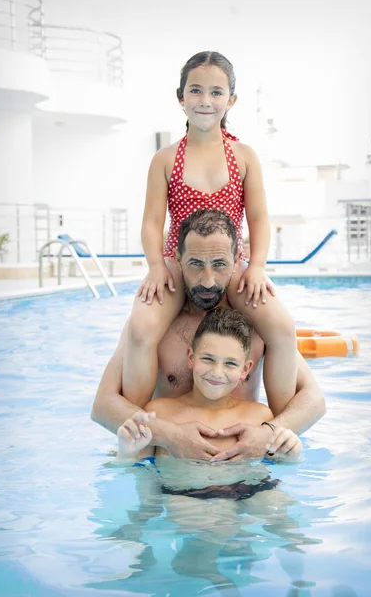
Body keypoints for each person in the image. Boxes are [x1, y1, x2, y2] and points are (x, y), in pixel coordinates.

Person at [122, 50, 298, 415]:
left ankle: (278, 427)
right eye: (196, 91)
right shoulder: (166, 159)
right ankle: (138, 428)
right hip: (178, 262)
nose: (206, 100)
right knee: (139, 331)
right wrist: (157, 266)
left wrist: (257, 266)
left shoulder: (244, 155)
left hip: (229, 265)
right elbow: (152, 221)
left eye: (217, 92)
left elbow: (259, 218)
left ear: (231, 100)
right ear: (181, 97)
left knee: (282, 328)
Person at [92, 209, 326, 461]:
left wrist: (269, 433)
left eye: (219, 265)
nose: (207, 281)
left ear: (237, 262)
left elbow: (314, 400)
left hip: (241, 471)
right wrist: (170, 436)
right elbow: (102, 405)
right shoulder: (153, 328)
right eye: (195, 264)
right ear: (178, 260)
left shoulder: (253, 329)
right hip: (168, 466)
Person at [117, 308, 302, 469]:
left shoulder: (260, 417)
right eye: (208, 359)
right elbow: (141, 479)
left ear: (245, 369)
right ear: (191, 357)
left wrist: (292, 453)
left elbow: (277, 469)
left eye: (230, 363)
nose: (217, 372)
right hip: (183, 498)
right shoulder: (159, 413)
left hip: (246, 494)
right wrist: (126, 453)